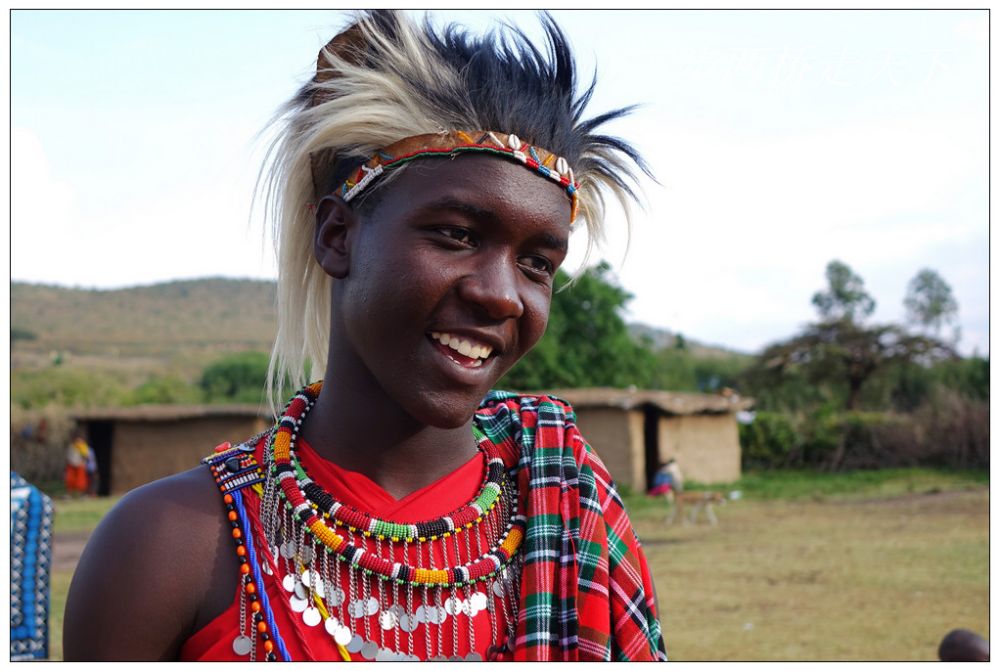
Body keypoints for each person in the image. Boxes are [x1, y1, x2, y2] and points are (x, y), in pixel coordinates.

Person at [64, 10, 665, 662]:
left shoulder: (569, 512)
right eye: (457, 234)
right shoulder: (168, 546)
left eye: (537, 263)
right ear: (337, 236)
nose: (501, 294)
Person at [64, 433, 91, 498]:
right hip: (71, 465)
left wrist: (81, 449)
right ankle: (69, 494)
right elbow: (68, 457)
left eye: (80, 440)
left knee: (81, 481)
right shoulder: (72, 447)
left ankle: (81, 494)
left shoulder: (84, 447)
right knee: (70, 480)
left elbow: (86, 456)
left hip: (80, 466)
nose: (78, 441)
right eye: (77, 440)